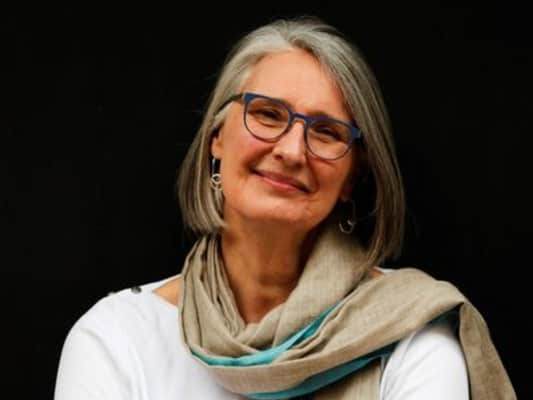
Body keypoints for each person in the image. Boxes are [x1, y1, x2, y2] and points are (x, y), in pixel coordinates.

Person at [54, 17, 515, 399]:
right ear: (217, 138)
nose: (292, 151)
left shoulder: (410, 333)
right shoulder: (118, 337)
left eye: (326, 132)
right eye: (267, 114)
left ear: (352, 178)